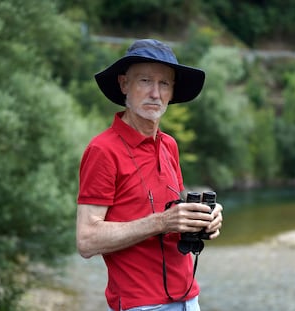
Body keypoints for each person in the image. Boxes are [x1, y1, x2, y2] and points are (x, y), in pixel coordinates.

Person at [76, 39, 223, 311]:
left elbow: (175, 215)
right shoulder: (102, 150)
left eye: (164, 83)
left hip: (189, 299)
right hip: (140, 305)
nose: (155, 93)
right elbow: (86, 240)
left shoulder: (169, 145)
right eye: (145, 81)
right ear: (124, 85)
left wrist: (204, 218)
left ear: (171, 92)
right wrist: (161, 222)